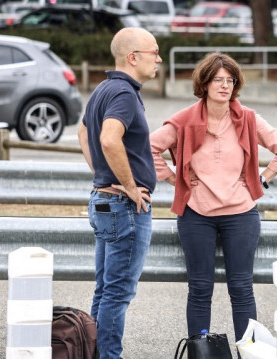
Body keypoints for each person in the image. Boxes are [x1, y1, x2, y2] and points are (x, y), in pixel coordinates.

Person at [149, 52, 277, 342]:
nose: (225, 86)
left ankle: (247, 351)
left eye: (230, 80)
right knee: (200, 289)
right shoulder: (184, 120)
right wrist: (171, 177)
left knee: (242, 288)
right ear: (204, 84)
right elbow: (147, 147)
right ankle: (200, 351)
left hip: (241, 214)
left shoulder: (249, 119)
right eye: (218, 80)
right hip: (196, 215)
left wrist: (261, 180)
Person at [77, 27, 162, 358]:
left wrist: (101, 174)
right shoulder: (124, 93)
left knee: (105, 289)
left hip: (104, 201)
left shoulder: (104, 88)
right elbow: (108, 138)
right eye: (154, 51)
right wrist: (128, 185)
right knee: (118, 293)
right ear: (133, 57)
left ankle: (94, 353)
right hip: (123, 206)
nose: (158, 58)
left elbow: (83, 131)